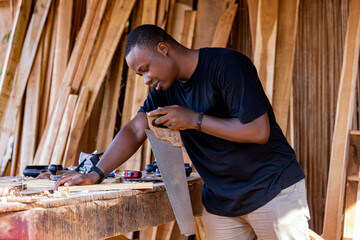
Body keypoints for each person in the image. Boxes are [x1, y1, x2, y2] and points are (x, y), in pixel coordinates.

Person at [55, 24, 310, 239]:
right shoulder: (163, 90)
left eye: (145, 68)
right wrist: (95, 173)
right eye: (139, 74)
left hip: (272, 191)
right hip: (222, 203)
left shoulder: (227, 66)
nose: (145, 79)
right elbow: (135, 129)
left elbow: (258, 131)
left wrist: (194, 120)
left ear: (163, 49)